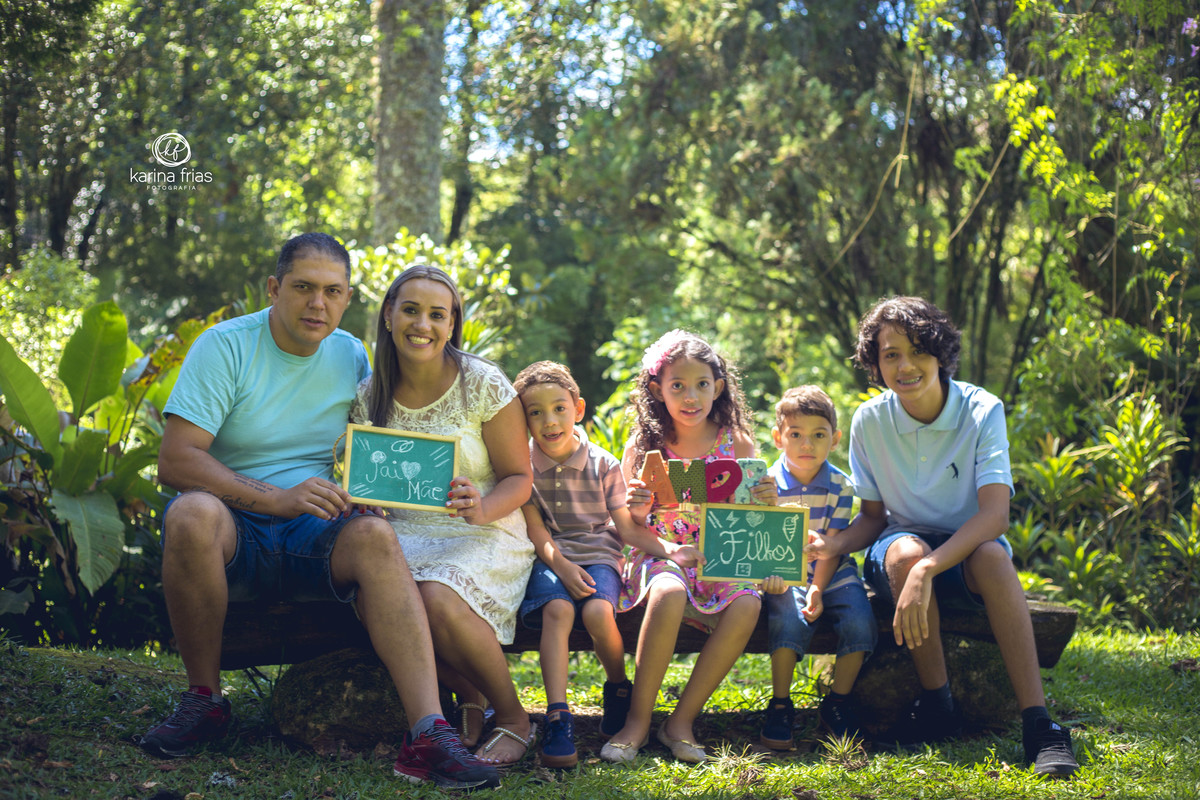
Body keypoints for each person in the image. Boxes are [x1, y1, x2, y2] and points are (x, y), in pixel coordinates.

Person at [145, 234, 498, 790]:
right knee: (189, 514)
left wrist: (370, 490)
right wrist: (274, 499)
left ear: (349, 297)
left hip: (318, 530)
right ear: (274, 287)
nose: (318, 305)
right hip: (235, 526)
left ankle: (428, 732)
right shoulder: (224, 346)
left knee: (376, 536)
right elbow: (175, 460)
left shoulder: (350, 354)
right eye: (304, 288)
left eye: (332, 292)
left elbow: (367, 452)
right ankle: (205, 701)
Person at [809, 296, 1078, 777]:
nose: (905, 366)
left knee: (992, 558)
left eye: (918, 351)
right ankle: (939, 706)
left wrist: (930, 569)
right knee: (906, 553)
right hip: (900, 545)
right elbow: (873, 519)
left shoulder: (982, 409)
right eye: (890, 354)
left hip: (969, 548)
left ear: (940, 353)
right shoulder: (869, 421)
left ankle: (1040, 726)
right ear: (875, 363)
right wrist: (835, 544)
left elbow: (994, 516)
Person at [351, 264, 536, 767]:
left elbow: (521, 479)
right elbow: (365, 477)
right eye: (410, 310)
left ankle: (515, 718)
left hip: (483, 530)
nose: (422, 324)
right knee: (378, 599)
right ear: (389, 315)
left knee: (435, 594)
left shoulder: (481, 383)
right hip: (403, 533)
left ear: (452, 324)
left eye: (438, 314)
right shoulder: (370, 396)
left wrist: (481, 508)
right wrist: (364, 500)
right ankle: (467, 690)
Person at [512, 361, 703, 769]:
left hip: (600, 554)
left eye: (559, 408)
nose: (550, 421)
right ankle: (558, 715)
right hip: (552, 557)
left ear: (578, 409)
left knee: (599, 611)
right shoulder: (522, 469)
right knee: (557, 610)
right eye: (536, 412)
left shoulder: (603, 464)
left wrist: (670, 549)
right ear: (523, 420)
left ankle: (618, 686)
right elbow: (537, 534)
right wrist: (561, 567)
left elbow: (627, 532)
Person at [601, 330, 776, 764]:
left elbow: (756, 521)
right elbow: (627, 527)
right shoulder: (644, 447)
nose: (690, 396)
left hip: (720, 557)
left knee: (747, 604)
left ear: (718, 387)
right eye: (677, 385)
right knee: (669, 590)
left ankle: (680, 722)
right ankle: (638, 721)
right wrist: (642, 515)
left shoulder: (736, 444)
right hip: (660, 555)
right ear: (658, 390)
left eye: (701, 384)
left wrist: (766, 501)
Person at [759, 386, 876, 749]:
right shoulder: (766, 485)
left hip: (833, 569)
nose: (806, 444)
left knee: (860, 620)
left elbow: (833, 542)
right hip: (783, 569)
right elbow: (763, 539)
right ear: (779, 437)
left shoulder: (841, 485)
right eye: (796, 434)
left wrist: (817, 588)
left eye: (818, 435)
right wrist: (778, 581)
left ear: (835, 439)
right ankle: (780, 704)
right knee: (787, 618)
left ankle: (837, 702)